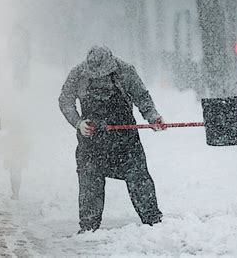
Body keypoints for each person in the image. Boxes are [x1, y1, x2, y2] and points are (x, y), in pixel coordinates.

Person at [58, 45, 166, 234]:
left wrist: (153, 117)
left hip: (125, 142)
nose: (100, 78)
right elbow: (65, 101)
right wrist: (78, 123)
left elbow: (142, 96)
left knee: (139, 179)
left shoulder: (125, 71)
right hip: (91, 144)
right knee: (90, 185)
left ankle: (153, 223)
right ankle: (88, 228)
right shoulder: (77, 74)